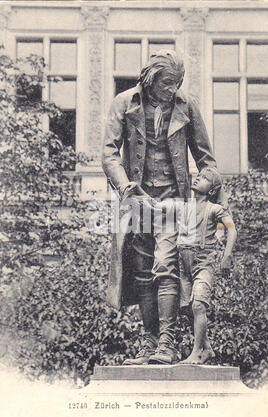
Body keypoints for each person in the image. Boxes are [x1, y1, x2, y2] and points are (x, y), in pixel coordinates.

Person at [102, 49, 227, 365]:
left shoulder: (187, 107)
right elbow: (108, 155)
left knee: (165, 266)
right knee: (144, 273)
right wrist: (128, 188)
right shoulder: (123, 104)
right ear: (150, 78)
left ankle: (167, 344)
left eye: (177, 83)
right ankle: (149, 344)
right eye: (167, 83)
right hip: (140, 202)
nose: (172, 90)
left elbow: (208, 162)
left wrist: (206, 185)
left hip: (175, 202)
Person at [177, 167, 237, 364]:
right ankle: (207, 347)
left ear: (211, 190)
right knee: (187, 308)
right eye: (198, 175)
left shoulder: (215, 209)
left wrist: (226, 256)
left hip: (204, 261)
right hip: (183, 262)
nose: (197, 178)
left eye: (203, 178)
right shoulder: (185, 207)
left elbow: (232, 230)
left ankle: (197, 352)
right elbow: (156, 207)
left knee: (198, 304)